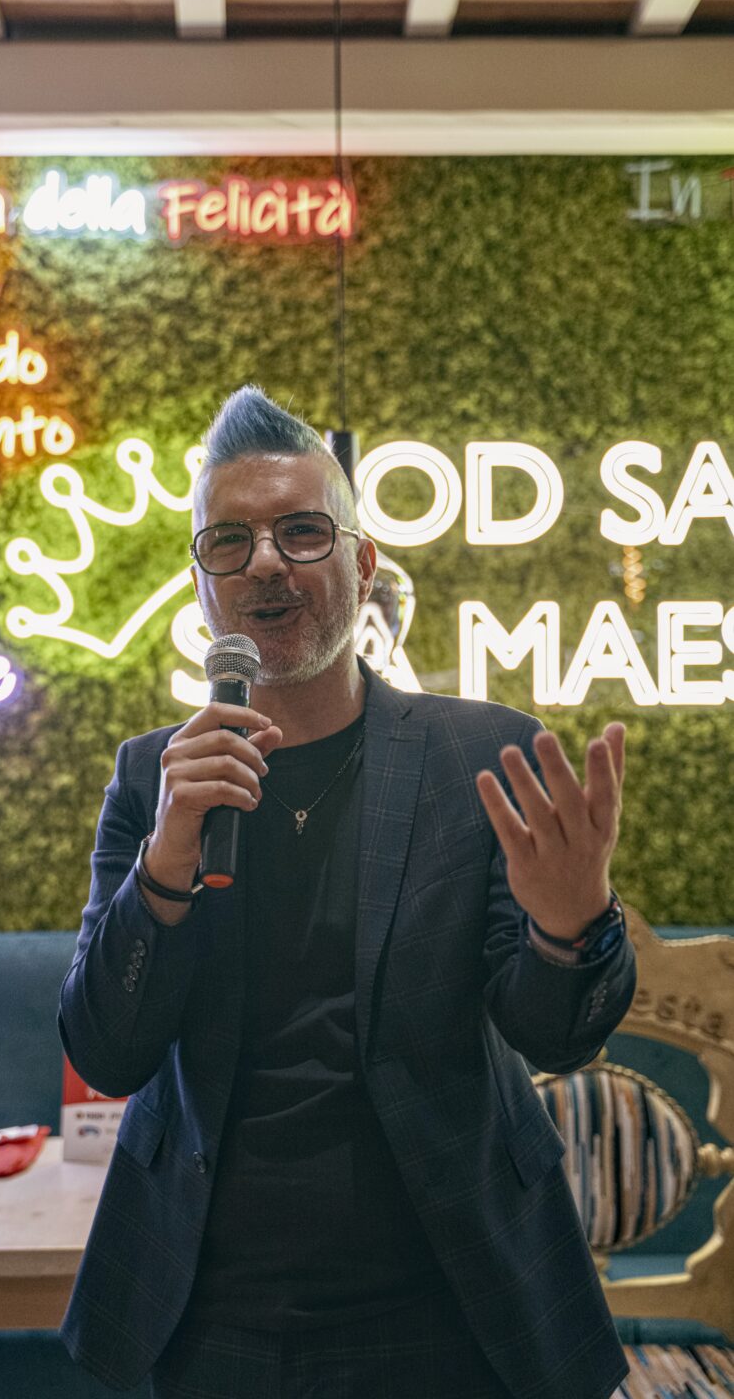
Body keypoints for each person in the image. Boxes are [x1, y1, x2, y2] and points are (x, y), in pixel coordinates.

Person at [58, 386, 636, 1399]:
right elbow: (107, 1052)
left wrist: (568, 924)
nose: (265, 562)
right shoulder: (157, 778)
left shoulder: (480, 757)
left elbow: (555, 1036)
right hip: (209, 1311)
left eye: (302, 531)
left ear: (363, 565)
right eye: (228, 542)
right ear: (202, 588)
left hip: (452, 1305)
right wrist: (165, 864)